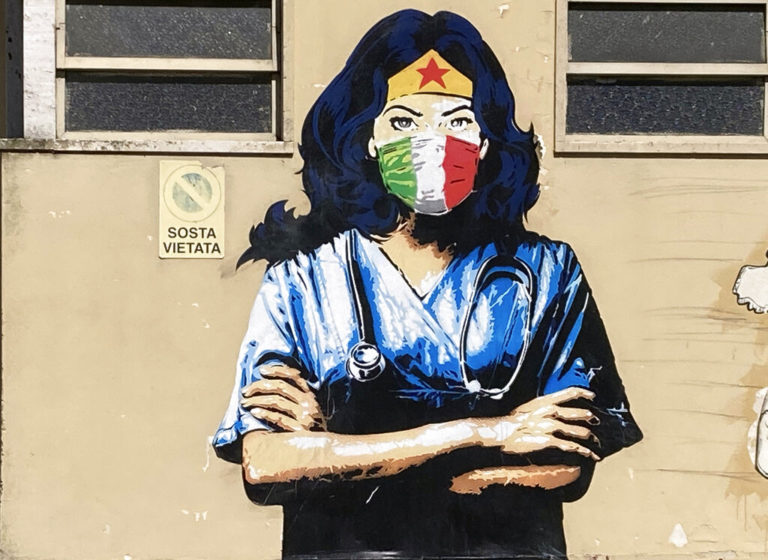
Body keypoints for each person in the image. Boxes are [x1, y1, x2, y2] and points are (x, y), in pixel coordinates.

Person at [213, 9, 642, 560]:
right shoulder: (303, 281)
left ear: (486, 142)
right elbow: (268, 466)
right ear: (368, 138)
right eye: (403, 122)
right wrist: (488, 434)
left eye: (458, 121)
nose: (432, 142)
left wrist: (336, 455)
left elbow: (567, 463)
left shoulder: (547, 273)